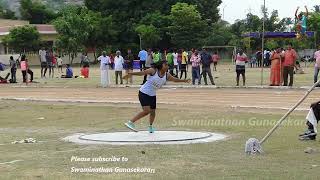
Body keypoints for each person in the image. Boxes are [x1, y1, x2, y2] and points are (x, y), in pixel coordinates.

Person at [123, 60, 191, 133]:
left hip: (152, 95)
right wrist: (130, 73)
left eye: (168, 65)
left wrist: (184, 80)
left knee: (153, 112)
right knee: (146, 111)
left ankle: (150, 127)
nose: (167, 66)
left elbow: (174, 80)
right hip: (144, 93)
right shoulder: (153, 71)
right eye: (165, 65)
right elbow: (142, 73)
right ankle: (130, 122)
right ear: (161, 66)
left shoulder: (166, 75)